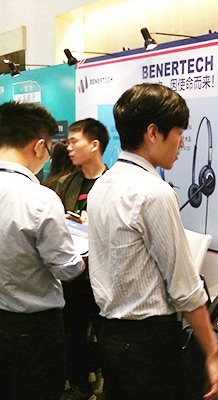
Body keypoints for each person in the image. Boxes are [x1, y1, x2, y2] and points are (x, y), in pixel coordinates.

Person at [87, 83, 218, 400]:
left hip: (111, 334)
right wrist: (213, 352)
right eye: (178, 133)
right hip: (148, 344)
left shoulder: (103, 184)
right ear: (153, 132)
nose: (182, 144)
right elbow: (184, 288)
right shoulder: (154, 193)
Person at [0, 101, 85, 400]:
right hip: (32, 330)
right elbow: (67, 269)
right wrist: (82, 260)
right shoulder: (40, 198)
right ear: (39, 147)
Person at [52, 118, 109, 400]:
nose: (68, 148)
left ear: (95, 145)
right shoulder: (66, 183)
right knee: (72, 334)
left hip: (104, 276)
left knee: (106, 337)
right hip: (72, 274)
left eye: (75, 141)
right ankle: (78, 387)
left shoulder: (112, 185)